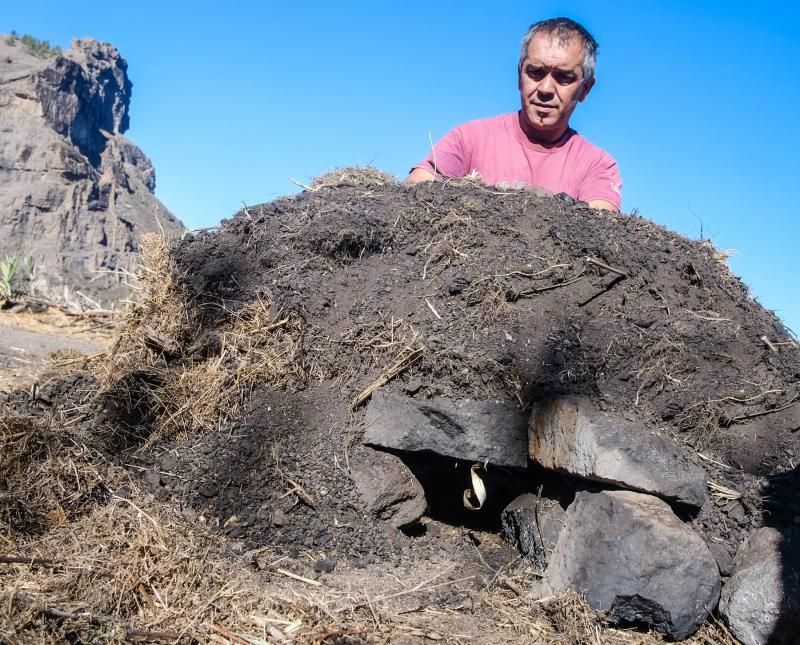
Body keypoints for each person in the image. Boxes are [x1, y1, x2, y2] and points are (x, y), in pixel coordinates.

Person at [406, 18, 622, 212]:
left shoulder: (597, 165)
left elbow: (602, 227)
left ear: (585, 89)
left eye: (563, 77)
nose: (546, 88)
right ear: (520, 76)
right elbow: (415, 189)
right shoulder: (469, 139)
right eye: (535, 72)